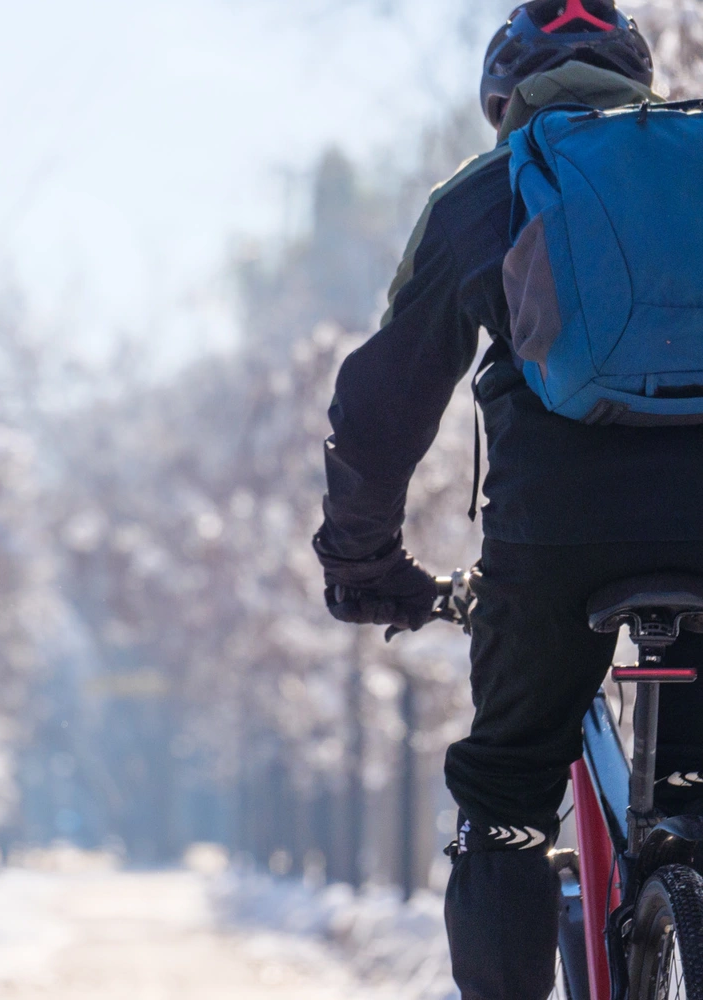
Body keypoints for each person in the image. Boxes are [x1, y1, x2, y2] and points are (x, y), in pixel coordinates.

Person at [313, 2, 703, 997]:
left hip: (559, 539)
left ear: (504, 99)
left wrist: (367, 567)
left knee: (505, 796)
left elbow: (379, 406)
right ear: (638, 80)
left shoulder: (488, 195)